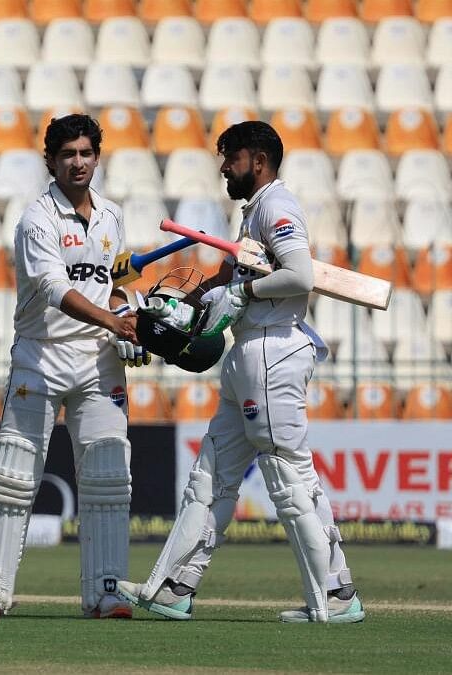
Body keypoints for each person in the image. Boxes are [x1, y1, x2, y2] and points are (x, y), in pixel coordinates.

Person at [117, 121, 365, 624]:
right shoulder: (255, 212)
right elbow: (235, 272)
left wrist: (243, 294)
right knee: (210, 475)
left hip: (272, 350)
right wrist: (191, 300)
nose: (223, 166)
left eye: (230, 156)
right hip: (248, 353)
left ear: (258, 159)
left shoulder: (277, 205)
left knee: (286, 474)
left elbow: (299, 275)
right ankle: (173, 587)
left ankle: (335, 596)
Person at [0, 114, 143, 620]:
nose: (78, 163)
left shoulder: (112, 216)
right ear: (51, 161)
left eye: (86, 153)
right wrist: (113, 317)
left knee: (108, 474)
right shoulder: (36, 219)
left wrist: (123, 309)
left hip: (100, 362)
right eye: (68, 155)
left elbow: (112, 280)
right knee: (13, 473)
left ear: (97, 157)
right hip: (41, 356)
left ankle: (107, 590)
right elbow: (53, 289)